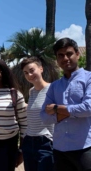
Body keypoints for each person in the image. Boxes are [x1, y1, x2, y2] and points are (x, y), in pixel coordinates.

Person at [40, 38, 91, 171]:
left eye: (69, 53)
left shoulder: (88, 79)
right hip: (59, 149)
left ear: (77, 54)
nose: (65, 58)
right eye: (60, 55)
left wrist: (57, 108)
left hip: (84, 148)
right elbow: (44, 116)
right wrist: (72, 113)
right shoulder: (54, 86)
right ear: (57, 59)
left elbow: (88, 108)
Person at [20, 57, 54, 171]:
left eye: (31, 70)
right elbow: (33, 109)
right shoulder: (31, 91)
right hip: (29, 141)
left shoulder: (52, 89)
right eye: (26, 73)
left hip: (46, 142)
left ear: (41, 69)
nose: (29, 75)